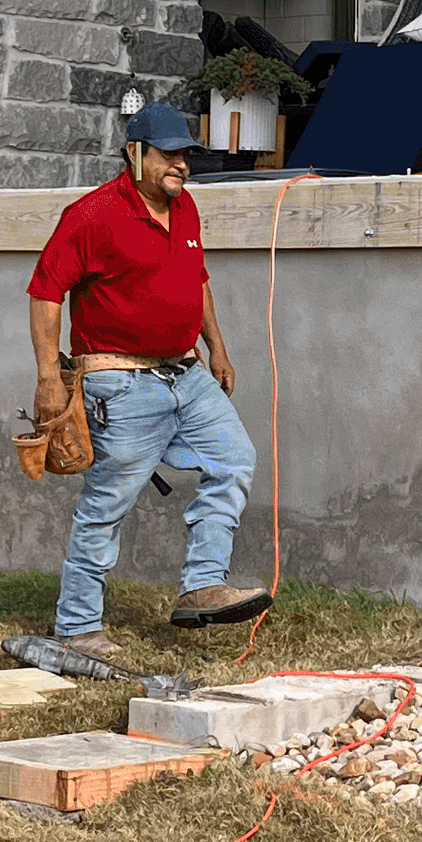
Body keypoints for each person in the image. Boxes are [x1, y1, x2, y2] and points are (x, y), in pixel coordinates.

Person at [27, 103, 270, 637]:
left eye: (186, 155)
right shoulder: (90, 215)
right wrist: (49, 376)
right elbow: (46, 292)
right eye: (169, 155)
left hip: (187, 373)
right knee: (106, 505)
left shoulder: (185, 210)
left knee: (233, 459)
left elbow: (196, 278)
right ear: (134, 154)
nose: (181, 165)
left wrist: (218, 348)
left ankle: (202, 584)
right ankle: (78, 626)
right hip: (120, 382)